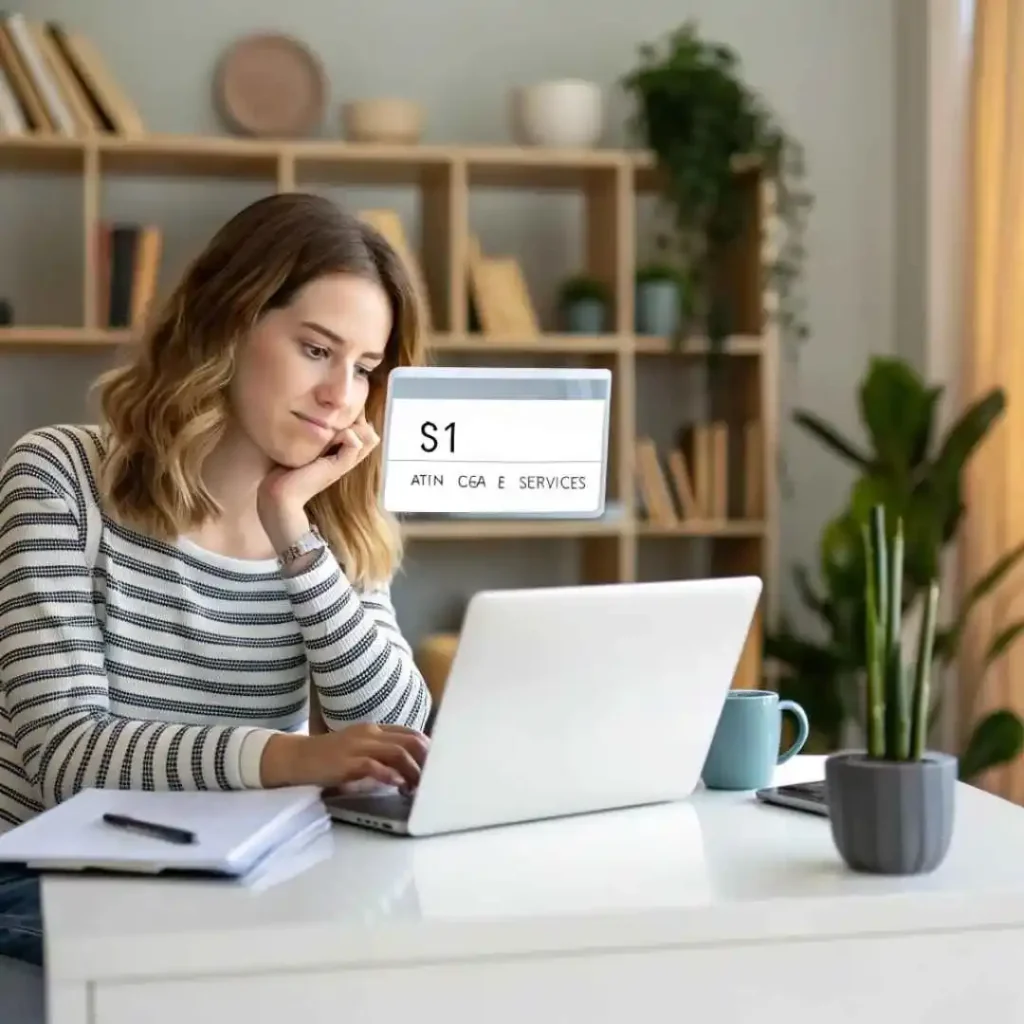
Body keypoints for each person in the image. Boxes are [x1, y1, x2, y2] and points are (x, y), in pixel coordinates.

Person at [0, 192, 434, 967]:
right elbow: (66, 758)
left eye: (364, 367)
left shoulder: (327, 527)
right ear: (227, 325)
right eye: (315, 349)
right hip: (42, 883)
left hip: (226, 880)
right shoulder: (59, 475)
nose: (341, 395)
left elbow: (397, 735)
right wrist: (293, 757)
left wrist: (293, 531)